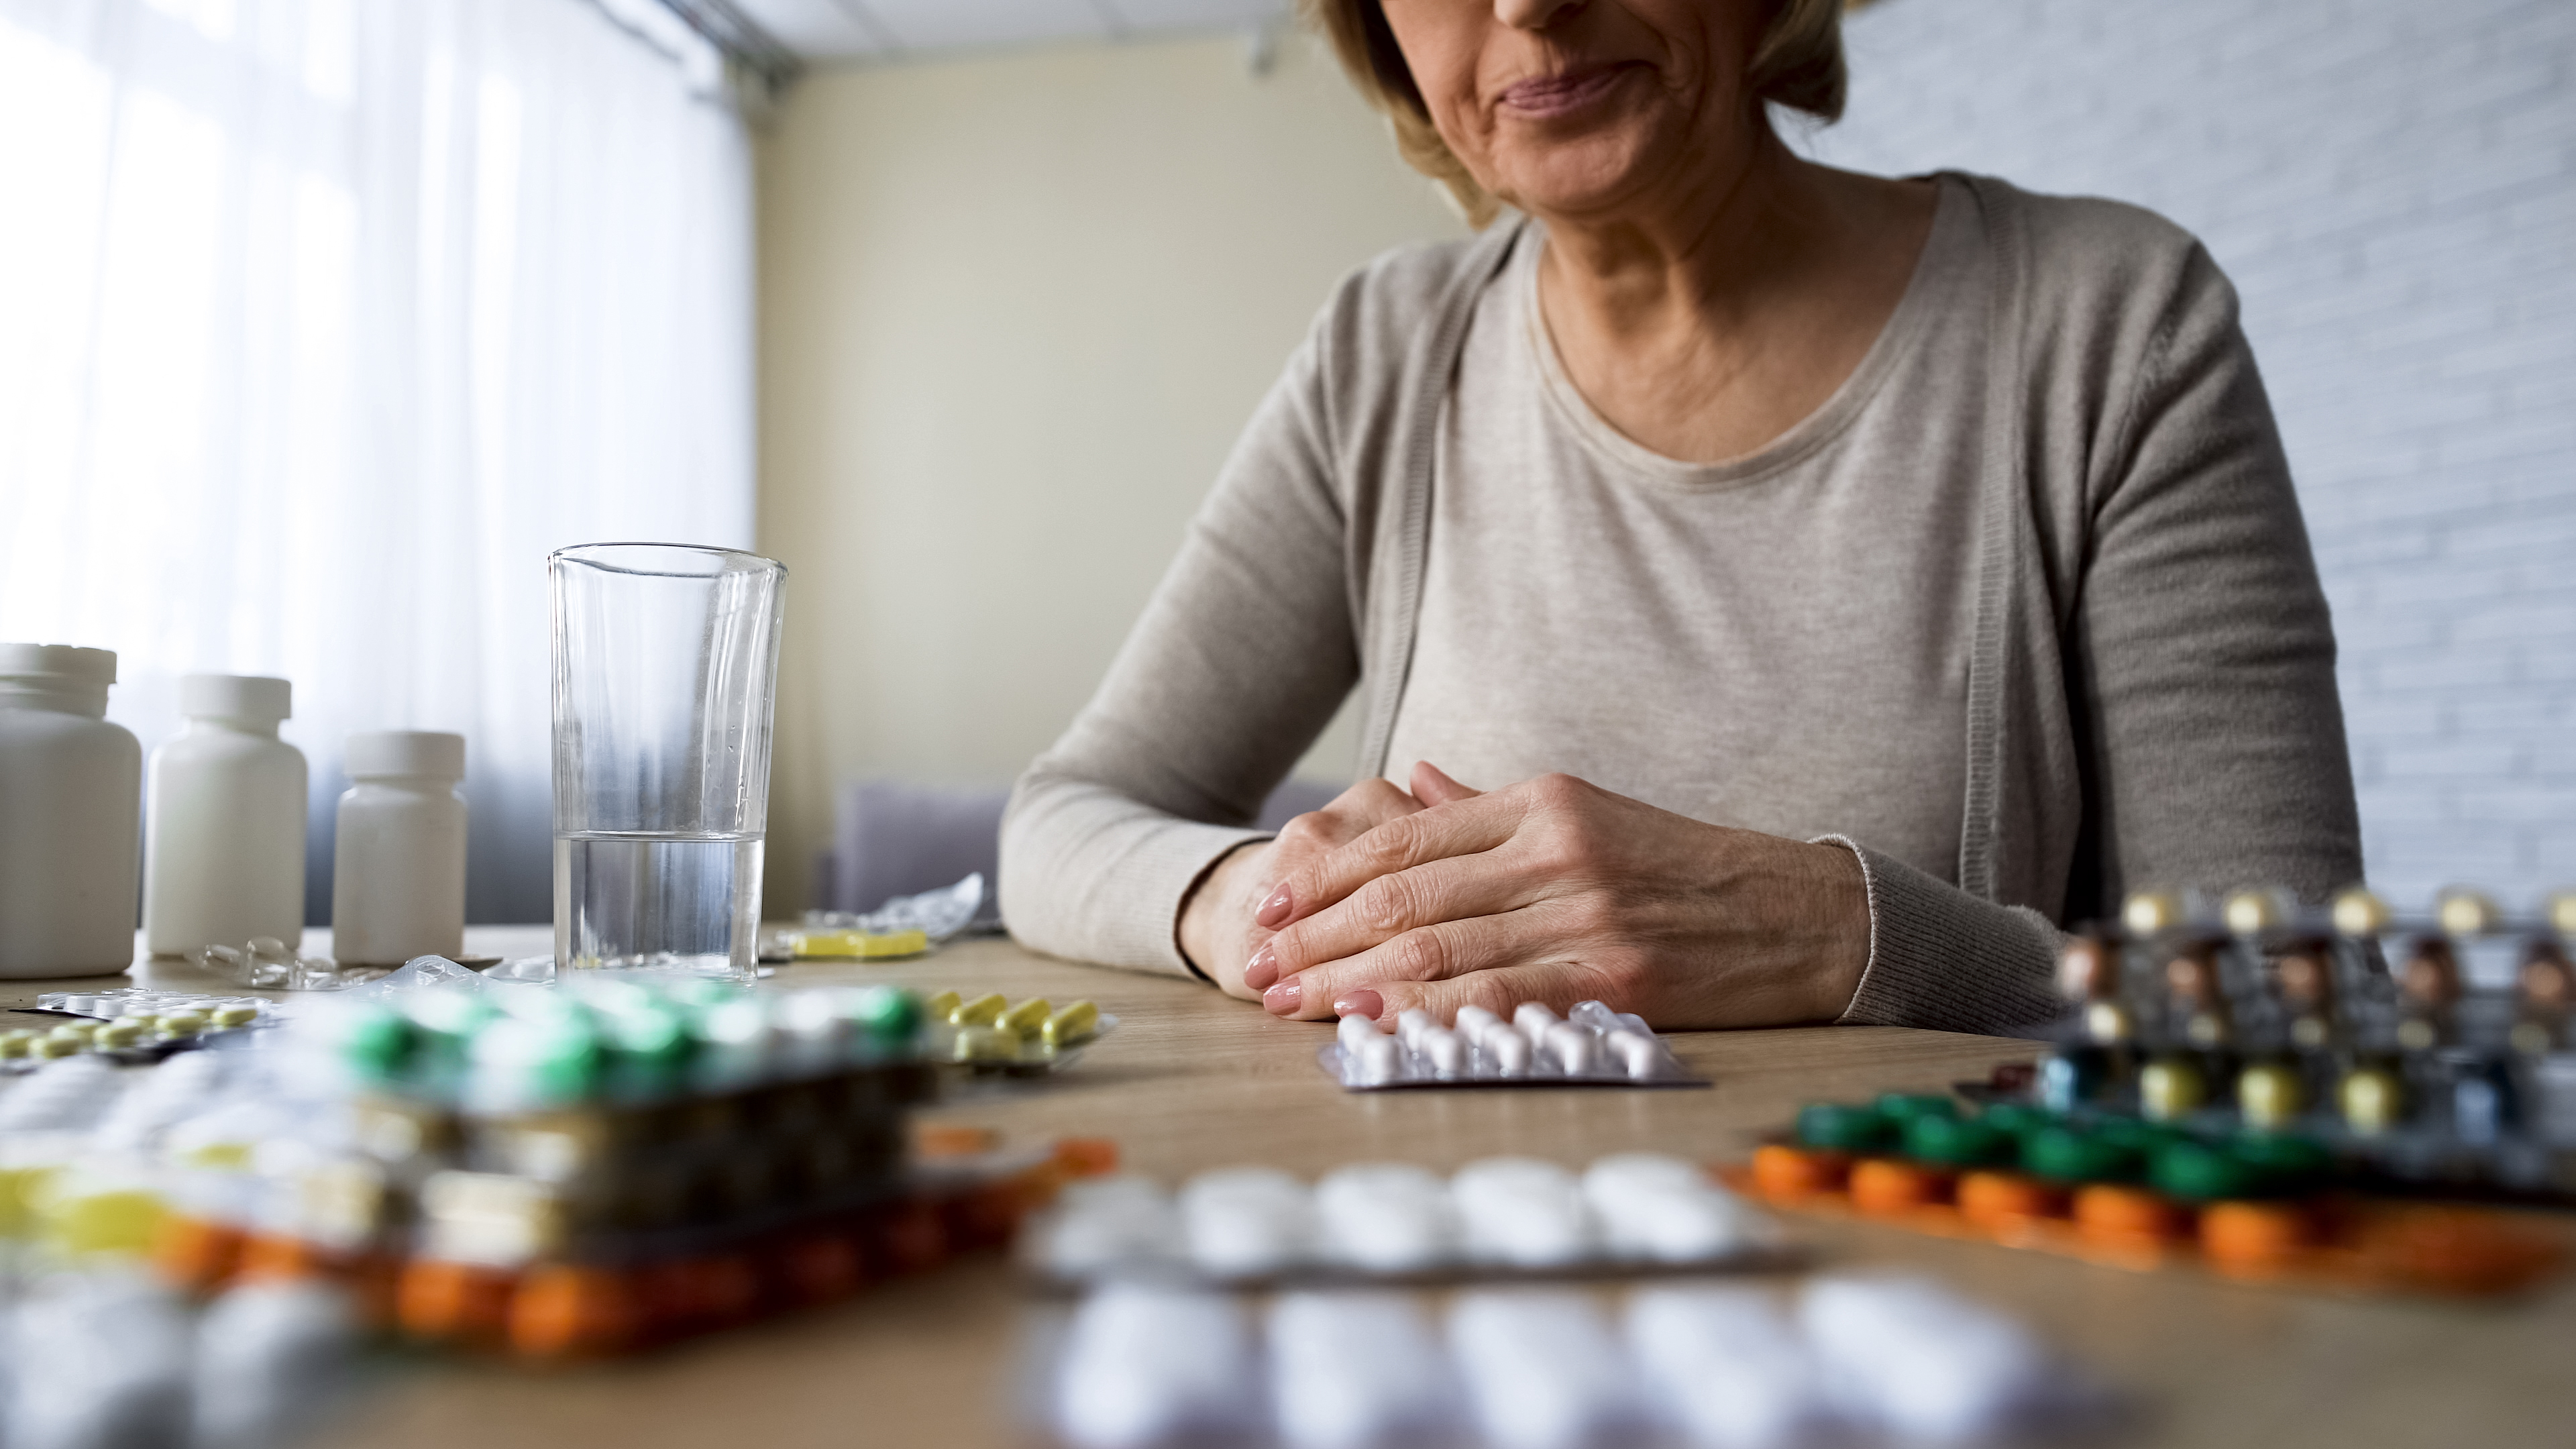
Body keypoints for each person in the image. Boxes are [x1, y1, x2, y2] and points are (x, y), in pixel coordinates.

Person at [998, 0, 2359, 1035]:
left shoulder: (2112, 325)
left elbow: (2284, 992)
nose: (1528, 5)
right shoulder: (1386, 351)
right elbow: (1065, 822)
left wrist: (1842, 934)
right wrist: (1266, 911)